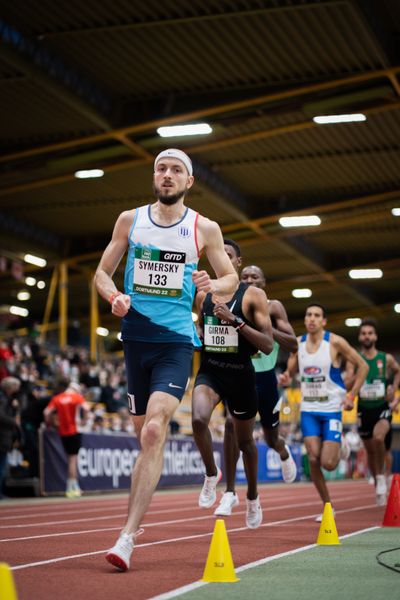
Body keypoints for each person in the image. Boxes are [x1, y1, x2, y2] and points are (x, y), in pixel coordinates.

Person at [94, 148, 238, 571]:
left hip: (176, 342)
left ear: (189, 181)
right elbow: (101, 272)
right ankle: (130, 528)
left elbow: (229, 277)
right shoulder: (130, 220)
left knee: (155, 431)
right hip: (135, 340)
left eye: (177, 170)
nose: (168, 175)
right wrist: (114, 296)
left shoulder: (203, 228)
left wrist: (213, 283)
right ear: (154, 176)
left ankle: (126, 537)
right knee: (143, 435)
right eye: (162, 168)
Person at [192, 239, 273, 529]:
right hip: (211, 370)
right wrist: (198, 330)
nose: (222, 259)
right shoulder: (204, 295)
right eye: (218, 255)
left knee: (245, 443)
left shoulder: (252, 296)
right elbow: (200, 326)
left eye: (228, 255)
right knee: (199, 420)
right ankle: (211, 474)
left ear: (237, 263)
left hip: (240, 374)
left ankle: (252, 497)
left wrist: (235, 321)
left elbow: (267, 344)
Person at [213, 264, 299, 517]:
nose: (250, 279)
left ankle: (283, 453)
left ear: (264, 282)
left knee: (271, 439)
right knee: (231, 425)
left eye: (255, 277)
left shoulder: (273, 307)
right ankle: (229, 492)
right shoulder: (232, 303)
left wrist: (267, 332)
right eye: (245, 276)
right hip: (239, 373)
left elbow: (294, 344)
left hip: (265, 380)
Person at [279, 303, 368, 521]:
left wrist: (351, 395)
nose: (311, 319)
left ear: (324, 321)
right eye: (308, 314)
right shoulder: (298, 343)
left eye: (317, 315)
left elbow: (363, 366)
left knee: (329, 463)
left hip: (331, 410)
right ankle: (328, 506)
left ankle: (342, 444)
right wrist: (287, 377)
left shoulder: (335, 342)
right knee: (313, 459)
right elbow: (291, 368)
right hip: (308, 409)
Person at [345, 318, 400, 505]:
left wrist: (393, 388)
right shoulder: (354, 360)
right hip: (363, 410)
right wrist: (356, 376)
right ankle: (378, 483)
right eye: (363, 333)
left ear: (375, 336)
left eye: (370, 333)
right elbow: (346, 385)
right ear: (360, 337)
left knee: (379, 439)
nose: (367, 336)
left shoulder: (386, 359)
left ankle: (383, 477)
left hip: (382, 408)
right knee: (370, 450)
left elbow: (398, 371)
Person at [44, 380, 89, 498]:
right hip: (75, 430)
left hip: (63, 432)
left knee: (70, 459)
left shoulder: (57, 398)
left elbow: (46, 412)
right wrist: (84, 420)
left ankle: (74, 486)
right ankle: (71, 487)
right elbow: (87, 408)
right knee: (73, 460)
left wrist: (51, 424)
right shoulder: (77, 397)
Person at [0, 377, 21, 499]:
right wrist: (14, 422)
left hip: (5, 437)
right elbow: (1, 416)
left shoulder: (8, 400)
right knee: (1, 468)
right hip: (2, 437)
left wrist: (15, 408)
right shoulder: (3, 399)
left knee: (2, 467)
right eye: (15, 387)